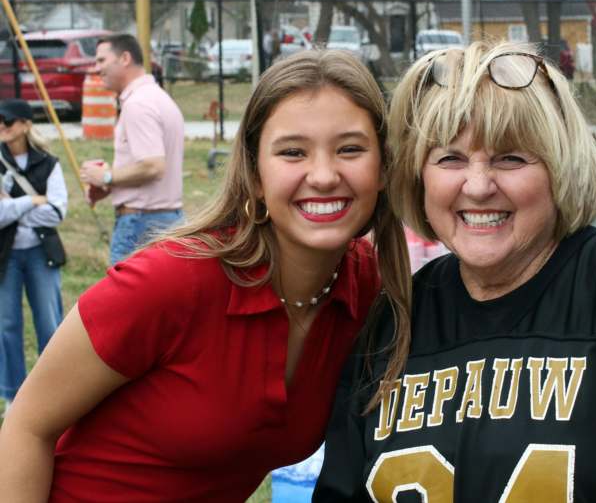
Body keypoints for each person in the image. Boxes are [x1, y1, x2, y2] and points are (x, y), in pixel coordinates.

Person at [314, 41, 596, 502]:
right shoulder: (397, 317)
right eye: (450, 158)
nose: (479, 185)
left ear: (558, 166)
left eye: (511, 157)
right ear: (418, 175)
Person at [0, 49, 411, 502]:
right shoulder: (171, 280)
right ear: (254, 173)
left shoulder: (368, 287)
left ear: (383, 168)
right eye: (292, 151)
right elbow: (26, 425)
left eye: (350, 149)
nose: (324, 175)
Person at [79, 33, 185, 265]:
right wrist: (110, 184)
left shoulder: (138, 104)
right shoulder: (157, 97)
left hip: (141, 223)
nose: (96, 69)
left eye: (101, 61)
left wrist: (106, 176)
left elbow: (153, 166)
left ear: (124, 58)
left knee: (122, 300)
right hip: (166, 218)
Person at [0, 99, 67, 417]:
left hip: (41, 254)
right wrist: (30, 202)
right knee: (7, 324)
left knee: (49, 323)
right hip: (6, 256)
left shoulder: (48, 163)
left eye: (8, 121)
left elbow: (57, 212)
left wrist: (11, 207)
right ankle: (13, 396)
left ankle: (55, 393)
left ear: (25, 124)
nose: (2, 126)